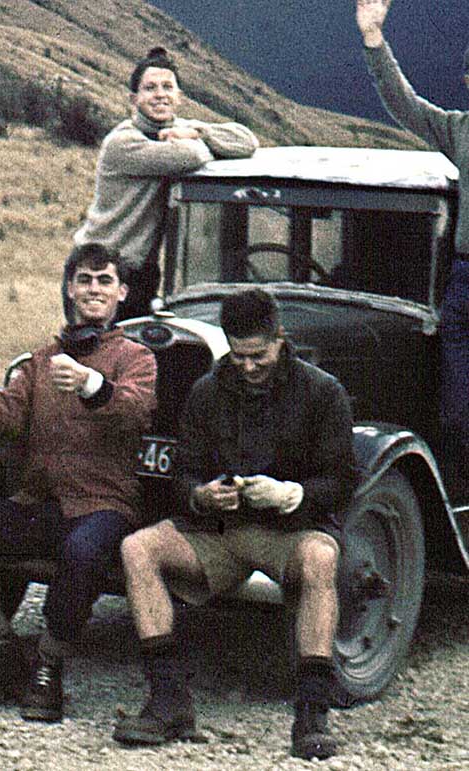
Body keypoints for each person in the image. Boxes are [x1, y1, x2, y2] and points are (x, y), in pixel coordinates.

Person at [112, 289, 356, 760]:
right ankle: (168, 700)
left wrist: (294, 494)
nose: (247, 367)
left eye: (258, 355)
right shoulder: (206, 391)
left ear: (279, 338)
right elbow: (182, 471)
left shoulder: (323, 391)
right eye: (237, 355)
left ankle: (311, 713)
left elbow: (344, 479)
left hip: (289, 530)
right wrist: (199, 495)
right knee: (138, 548)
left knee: (321, 557)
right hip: (219, 533)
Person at [0, 243, 157, 723]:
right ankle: (2, 650)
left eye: (105, 281)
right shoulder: (40, 361)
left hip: (103, 506)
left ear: (123, 293)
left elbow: (136, 410)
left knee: (83, 554)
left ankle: (50, 664)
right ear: (70, 288)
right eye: (85, 280)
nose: (94, 290)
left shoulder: (137, 358)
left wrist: (92, 384)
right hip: (40, 505)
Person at [356, 0, 469, 476]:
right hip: (465, 280)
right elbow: (406, 105)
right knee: (456, 412)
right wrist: (374, 41)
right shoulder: (461, 130)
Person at [72, 46, 259, 320]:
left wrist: (198, 131)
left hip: (142, 269)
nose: (160, 94)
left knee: (135, 353)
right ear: (133, 99)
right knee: (99, 351)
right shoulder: (123, 142)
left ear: (179, 96)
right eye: (150, 88)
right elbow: (190, 156)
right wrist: (195, 141)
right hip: (98, 267)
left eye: (167, 87)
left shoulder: (179, 129)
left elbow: (246, 141)